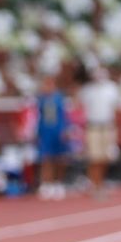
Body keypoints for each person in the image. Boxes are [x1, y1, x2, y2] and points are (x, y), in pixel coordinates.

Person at [79, 64, 121, 195]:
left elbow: (116, 109)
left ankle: (100, 183)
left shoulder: (112, 88)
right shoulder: (87, 90)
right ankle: (94, 183)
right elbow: (81, 108)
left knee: (105, 157)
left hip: (107, 126)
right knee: (94, 157)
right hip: (93, 126)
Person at [36, 72, 69, 200]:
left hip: (58, 131)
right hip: (46, 131)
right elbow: (39, 117)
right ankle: (46, 183)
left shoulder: (59, 98)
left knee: (59, 158)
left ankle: (58, 183)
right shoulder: (41, 99)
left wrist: (64, 130)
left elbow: (63, 116)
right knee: (46, 158)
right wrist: (38, 132)